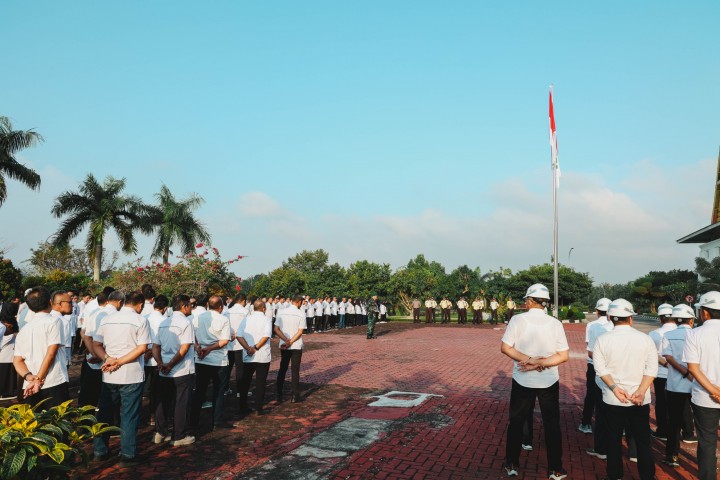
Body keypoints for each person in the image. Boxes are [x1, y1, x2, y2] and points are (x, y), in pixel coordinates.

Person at [500, 283, 569, 479]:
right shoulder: (555, 323)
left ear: (530, 301)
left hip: (522, 378)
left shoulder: (517, 320)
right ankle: (555, 468)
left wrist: (528, 361)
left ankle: (512, 463)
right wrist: (541, 363)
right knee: (552, 424)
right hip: (549, 380)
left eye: (526, 300)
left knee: (516, 422)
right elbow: (563, 356)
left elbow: (506, 348)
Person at [593, 298, 657, 480]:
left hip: (613, 399)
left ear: (610, 317)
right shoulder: (645, 339)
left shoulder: (602, 340)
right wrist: (642, 390)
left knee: (613, 439)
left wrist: (614, 388)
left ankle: (614, 475)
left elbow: (600, 369)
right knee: (643, 440)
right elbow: (651, 369)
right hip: (639, 399)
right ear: (631, 318)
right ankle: (647, 476)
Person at [92, 291, 150, 467]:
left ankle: (99, 450)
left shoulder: (107, 318)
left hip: (109, 373)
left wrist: (108, 359)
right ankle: (127, 454)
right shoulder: (140, 320)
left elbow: (96, 344)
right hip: (131, 373)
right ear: (140, 304)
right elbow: (142, 348)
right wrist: (118, 361)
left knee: (104, 413)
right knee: (129, 415)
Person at [683, 291, 720, 480]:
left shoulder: (695, 334)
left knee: (707, 441)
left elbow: (694, 369)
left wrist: (714, 391)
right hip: (710, 395)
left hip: (705, 397)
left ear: (704, 312)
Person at [13, 287, 69, 408]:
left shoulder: (24, 329)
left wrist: (29, 377)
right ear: (50, 302)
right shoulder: (54, 321)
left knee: (37, 423)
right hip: (53, 381)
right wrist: (38, 379)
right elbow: (50, 354)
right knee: (58, 423)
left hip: (30, 384)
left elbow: (17, 361)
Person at [152, 294, 196, 447]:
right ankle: (179, 435)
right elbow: (184, 348)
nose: (192, 307)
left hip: (165, 368)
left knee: (164, 401)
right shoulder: (186, 322)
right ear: (184, 306)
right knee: (181, 402)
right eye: (190, 305)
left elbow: (155, 346)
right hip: (181, 369)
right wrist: (169, 364)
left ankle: (161, 432)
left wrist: (160, 363)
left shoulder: (164, 322)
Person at [661, 303, 697, 467]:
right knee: (703, 425)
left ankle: (672, 456)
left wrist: (683, 372)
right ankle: (705, 460)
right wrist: (691, 374)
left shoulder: (669, 335)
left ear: (675, 319)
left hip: (675, 386)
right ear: (691, 320)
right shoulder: (697, 335)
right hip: (697, 386)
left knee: (673, 422)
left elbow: (668, 358)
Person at [190, 295, 231, 430]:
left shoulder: (197, 318)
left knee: (200, 390)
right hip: (218, 359)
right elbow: (224, 340)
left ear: (208, 305)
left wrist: (199, 348)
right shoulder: (223, 319)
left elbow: (193, 337)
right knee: (218, 391)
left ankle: (194, 421)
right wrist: (209, 348)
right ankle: (217, 421)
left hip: (201, 358)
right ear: (221, 307)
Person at [584, 298, 613, 460]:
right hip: (613, 367)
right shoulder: (614, 327)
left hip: (594, 364)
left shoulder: (592, 326)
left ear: (597, 311)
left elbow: (589, 349)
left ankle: (587, 422)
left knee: (592, 395)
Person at [78, 292, 117, 407]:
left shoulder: (92, 313)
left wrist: (94, 353)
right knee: (107, 396)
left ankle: (86, 419)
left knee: (90, 394)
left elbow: (85, 335)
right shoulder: (115, 314)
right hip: (109, 360)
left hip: (94, 359)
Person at [236, 300, 272, 415]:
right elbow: (266, 336)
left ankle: (242, 406)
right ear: (264, 308)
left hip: (248, 355)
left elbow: (238, 335)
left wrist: (248, 348)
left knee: (245, 381)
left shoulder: (246, 319)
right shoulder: (266, 319)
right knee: (260, 382)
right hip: (261, 355)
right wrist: (255, 348)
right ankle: (258, 408)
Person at [648, 303, 676, 441]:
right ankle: (678, 431)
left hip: (660, 373)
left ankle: (662, 431)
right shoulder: (687, 332)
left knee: (661, 402)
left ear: (660, 318)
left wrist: (665, 363)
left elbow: (651, 354)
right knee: (678, 404)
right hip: (681, 374)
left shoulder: (653, 334)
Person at [274, 295, 306, 403]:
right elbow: (300, 331)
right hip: (295, 344)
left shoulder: (281, 312)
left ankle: (278, 394)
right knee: (295, 370)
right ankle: (295, 395)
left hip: (284, 343)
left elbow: (276, 329)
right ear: (299, 302)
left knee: (283, 368)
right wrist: (291, 342)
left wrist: (286, 340)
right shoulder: (301, 313)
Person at [226, 293, 249, 400]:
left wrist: (231, 334)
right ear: (243, 301)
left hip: (229, 342)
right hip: (240, 342)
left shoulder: (227, 311)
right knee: (240, 368)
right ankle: (240, 390)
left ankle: (226, 388)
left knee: (227, 367)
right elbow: (247, 327)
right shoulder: (245, 312)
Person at [0, 301, 19, 400]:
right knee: (5, 371)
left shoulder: (6, 322)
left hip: (9, 352)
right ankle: (4, 392)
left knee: (8, 372)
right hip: (5, 352)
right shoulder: (3, 325)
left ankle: (7, 391)